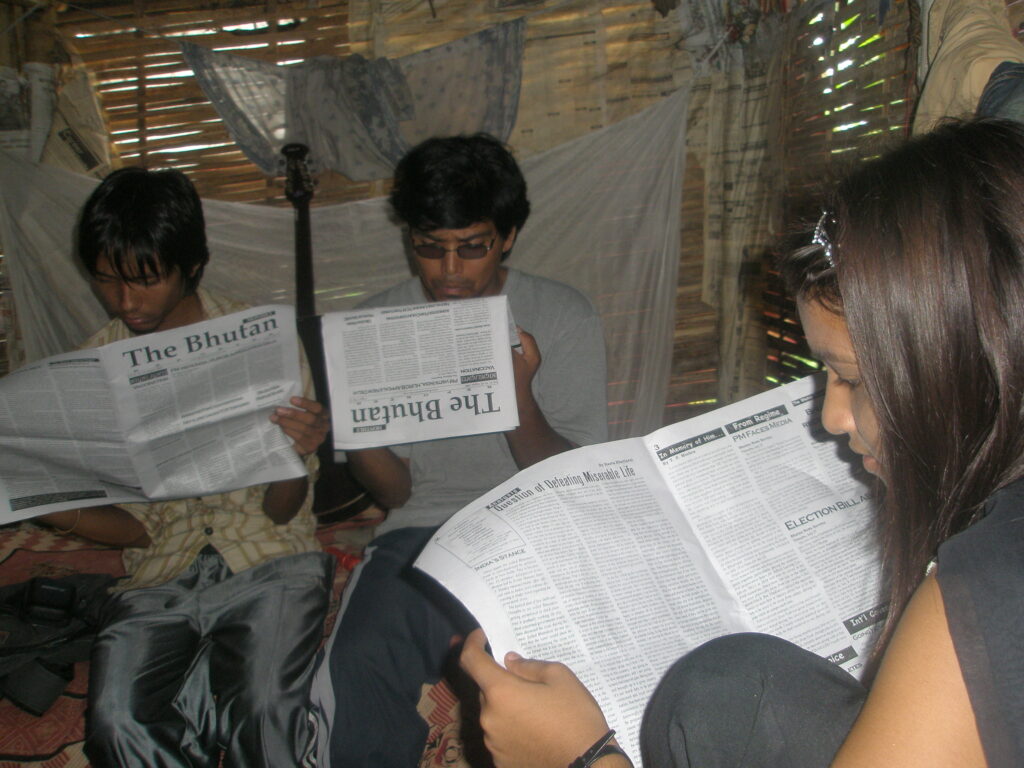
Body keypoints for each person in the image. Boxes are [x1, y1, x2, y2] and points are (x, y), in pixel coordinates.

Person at [460, 117, 1024, 768]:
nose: (832, 417)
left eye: (852, 379)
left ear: (967, 366)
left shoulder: (978, 599)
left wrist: (583, 757)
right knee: (727, 686)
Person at [309, 133, 608, 767]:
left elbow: (570, 481)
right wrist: (356, 428)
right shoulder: (379, 323)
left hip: (530, 526)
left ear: (508, 236)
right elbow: (395, 494)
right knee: (359, 659)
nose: (448, 272)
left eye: (472, 249)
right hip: (419, 533)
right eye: (429, 248)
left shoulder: (562, 315)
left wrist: (517, 394)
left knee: (576, 660)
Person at [40, 166, 335, 767]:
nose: (126, 302)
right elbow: (135, 530)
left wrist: (295, 455)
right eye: (106, 280)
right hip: (157, 576)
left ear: (191, 265)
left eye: (145, 281)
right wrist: (52, 504)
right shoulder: (91, 366)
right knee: (116, 721)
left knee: (263, 706)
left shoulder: (258, 340)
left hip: (268, 558)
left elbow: (284, 513)